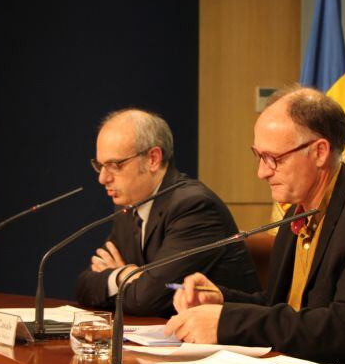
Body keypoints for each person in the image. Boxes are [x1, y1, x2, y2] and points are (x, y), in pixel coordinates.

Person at [165, 85, 345, 364]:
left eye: (274, 159)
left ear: (319, 152)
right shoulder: (298, 210)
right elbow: (284, 307)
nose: (262, 172)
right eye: (259, 156)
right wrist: (222, 300)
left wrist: (228, 322)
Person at [75, 109, 260, 317]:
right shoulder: (129, 206)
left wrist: (136, 282)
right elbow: (85, 285)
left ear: (153, 159)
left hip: (229, 342)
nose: (102, 178)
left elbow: (147, 300)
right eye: (100, 166)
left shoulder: (194, 207)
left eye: (114, 165)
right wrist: (122, 276)